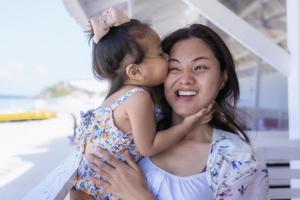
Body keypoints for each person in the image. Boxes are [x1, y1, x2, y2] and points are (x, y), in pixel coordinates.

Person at [86, 24, 269, 200]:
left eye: (200, 67)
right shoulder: (128, 135)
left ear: (222, 78)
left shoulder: (238, 159)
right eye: (174, 68)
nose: (186, 79)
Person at [71, 8, 213, 200]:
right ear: (136, 72)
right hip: (104, 191)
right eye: (160, 54)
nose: (167, 57)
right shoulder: (138, 97)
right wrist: (188, 125)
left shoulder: (112, 99)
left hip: (84, 190)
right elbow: (149, 146)